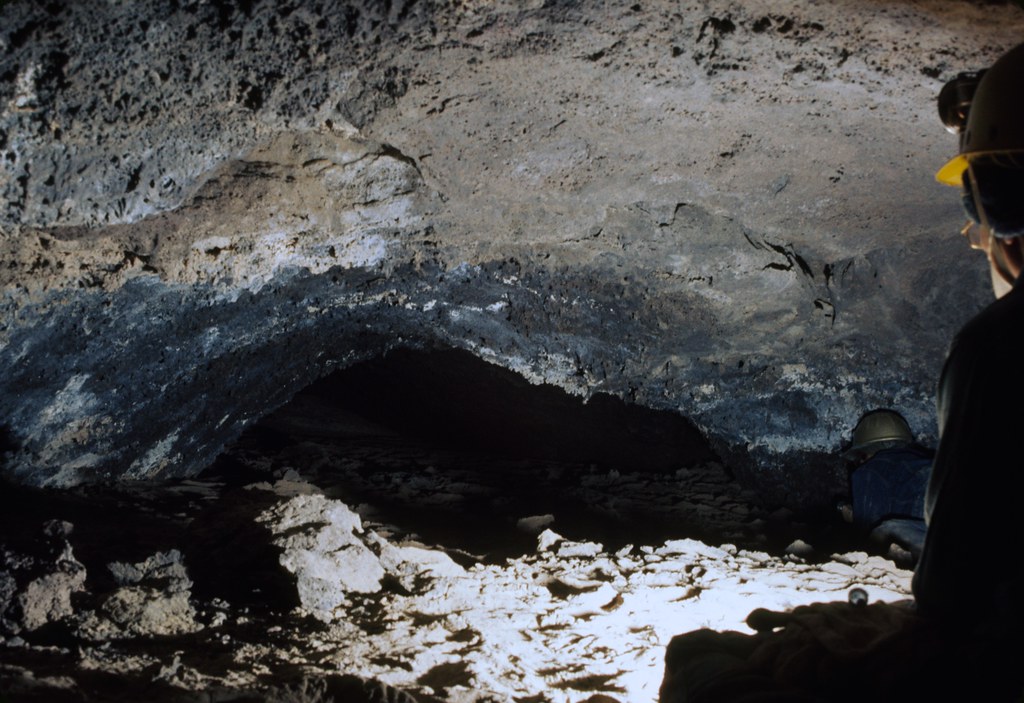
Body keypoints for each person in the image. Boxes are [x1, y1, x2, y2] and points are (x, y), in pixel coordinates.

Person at [839, 409, 931, 560]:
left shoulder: (870, 470)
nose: (860, 463)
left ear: (865, 452)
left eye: (860, 458)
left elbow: (865, 536)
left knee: (885, 532)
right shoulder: (923, 463)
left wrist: (857, 518)